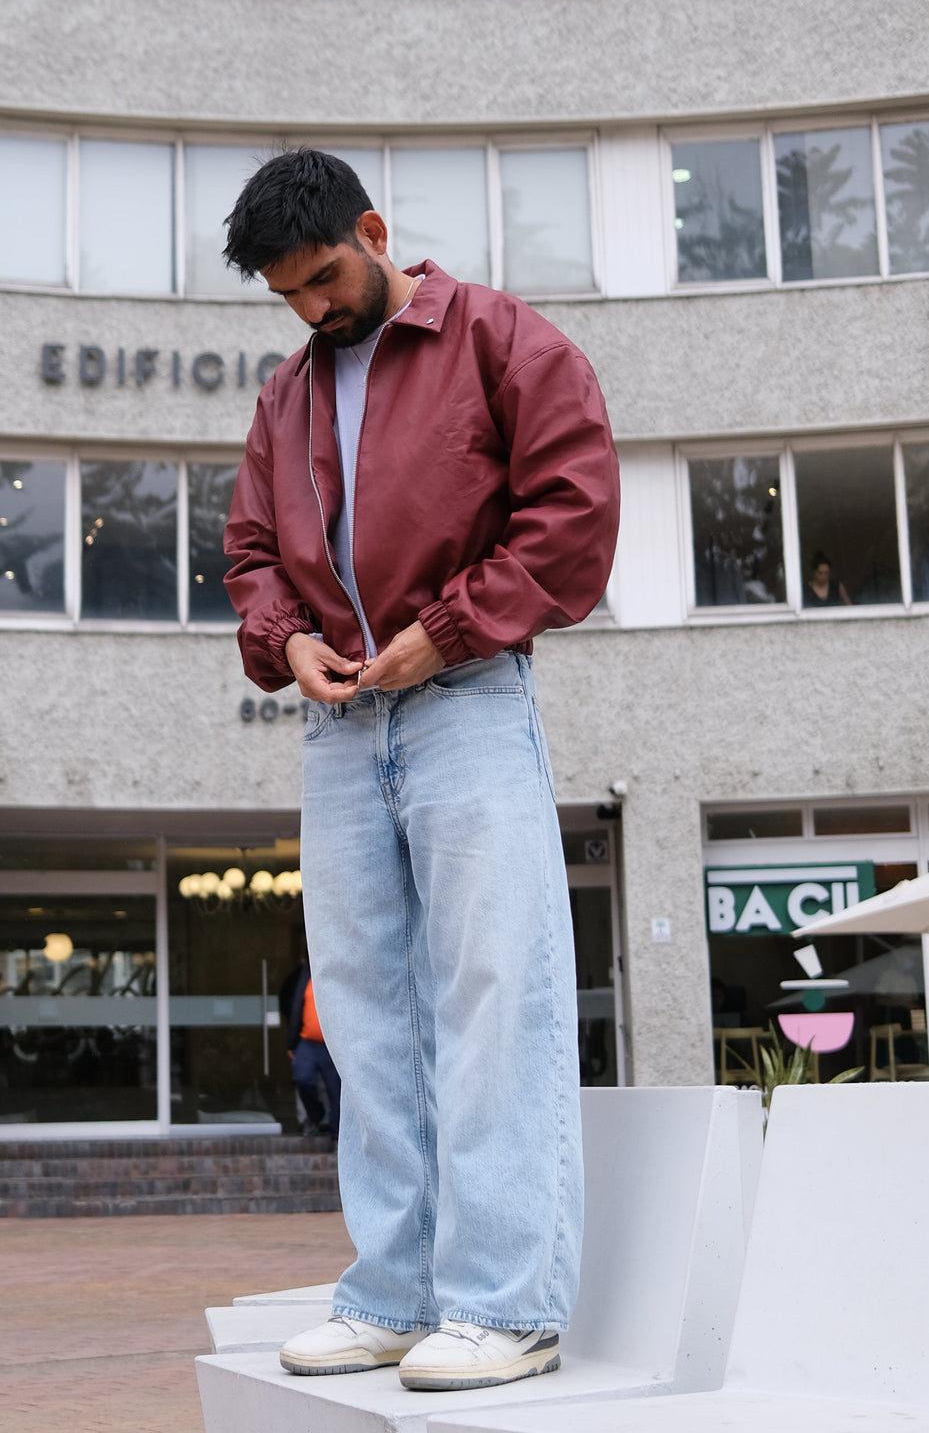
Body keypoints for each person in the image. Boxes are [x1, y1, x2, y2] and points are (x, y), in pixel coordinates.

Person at [220, 149, 619, 1393]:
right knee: (369, 1017)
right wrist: (284, 639)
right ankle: (394, 1292)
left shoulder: (501, 338)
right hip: (340, 730)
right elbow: (246, 553)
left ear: (375, 230)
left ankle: (509, 1305)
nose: (312, 311)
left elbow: (574, 516)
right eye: (287, 295)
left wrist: (442, 630)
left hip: (466, 702)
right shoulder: (285, 397)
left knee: (497, 992)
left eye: (325, 279)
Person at [279, 958, 341, 1140]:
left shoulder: (337, 974)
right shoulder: (306, 975)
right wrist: (292, 1043)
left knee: (335, 1090)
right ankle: (317, 1116)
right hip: (307, 1042)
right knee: (301, 1077)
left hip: (331, 1045)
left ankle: (336, 1133)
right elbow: (295, 1008)